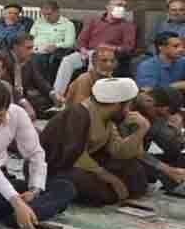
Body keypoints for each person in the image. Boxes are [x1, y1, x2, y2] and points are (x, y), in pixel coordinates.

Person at [0, 81, 75, 229]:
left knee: (65, 187)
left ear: (8, 107)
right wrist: (16, 200)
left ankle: (18, 215)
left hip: (5, 177)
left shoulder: (17, 113)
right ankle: (25, 212)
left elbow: (35, 153)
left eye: (0, 115)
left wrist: (34, 190)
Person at [41, 77, 150, 206]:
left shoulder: (108, 118)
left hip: (87, 166)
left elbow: (119, 151)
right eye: (128, 105)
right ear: (117, 104)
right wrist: (109, 178)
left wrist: (141, 130)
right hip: (55, 168)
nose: (129, 111)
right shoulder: (79, 114)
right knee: (95, 190)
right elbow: (75, 156)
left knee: (135, 171)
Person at [54, 0, 136, 99]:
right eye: (119, 5)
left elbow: (128, 47)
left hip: (109, 55)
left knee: (95, 58)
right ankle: (57, 95)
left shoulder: (127, 26)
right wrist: (83, 50)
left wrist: (110, 47)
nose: (122, 8)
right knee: (67, 60)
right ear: (108, 7)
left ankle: (89, 97)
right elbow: (81, 40)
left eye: (124, 6)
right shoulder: (94, 21)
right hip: (86, 53)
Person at [133, 87, 185, 193]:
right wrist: (169, 170)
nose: (162, 118)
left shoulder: (153, 115)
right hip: (122, 158)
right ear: (149, 102)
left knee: (179, 158)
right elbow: (132, 152)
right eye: (160, 115)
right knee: (138, 175)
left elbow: (174, 149)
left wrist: (175, 130)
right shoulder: (127, 110)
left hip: (139, 157)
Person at [6, 32, 61, 118]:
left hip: (23, 97)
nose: (32, 51)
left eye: (32, 48)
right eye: (28, 48)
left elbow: (39, 81)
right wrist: (24, 102)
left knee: (49, 100)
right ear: (16, 47)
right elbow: (7, 88)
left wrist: (53, 94)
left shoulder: (28, 60)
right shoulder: (4, 60)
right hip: (8, 99)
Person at [31, 0, 78, 81]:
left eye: (49, 14)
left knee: (37, 59)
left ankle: (40, 84)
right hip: (34, 48)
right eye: (44, 14)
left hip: (50, 51)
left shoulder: (68, 24)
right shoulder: (39, 22)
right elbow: (30, 37)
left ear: (57, 12)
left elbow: (70, 42)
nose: (46, 17)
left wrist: (56, 46)